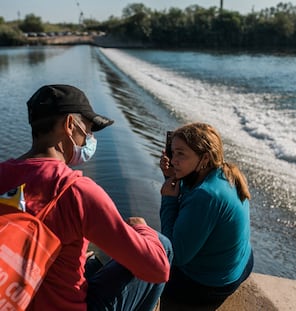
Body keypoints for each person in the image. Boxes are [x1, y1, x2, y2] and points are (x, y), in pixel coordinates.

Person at [0, 84, 173, 311]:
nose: (89, 139)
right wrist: (142, 229)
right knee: (162, 246)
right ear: (70, 125)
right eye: (88, 130)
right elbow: (157, 269)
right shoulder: (75, 190)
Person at [159, 122, 254, 305]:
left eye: (181, 154)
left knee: (153, 271)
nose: (173, 160)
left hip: (212, 283)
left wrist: (168, 200)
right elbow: (192, 206)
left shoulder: (206, 195)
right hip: (240, 262)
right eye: (173, 152)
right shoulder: (222, 173)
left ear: (204, 158)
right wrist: (173, 177)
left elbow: (176, 255)